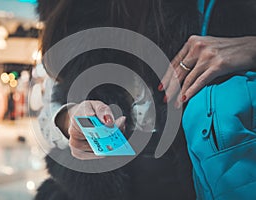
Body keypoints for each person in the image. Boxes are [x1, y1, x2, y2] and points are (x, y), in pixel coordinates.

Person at [35, 0, 256, 199]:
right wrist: (71, 119)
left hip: (213, 185)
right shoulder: (72, 11)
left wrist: (251, 47)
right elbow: (49, 110)